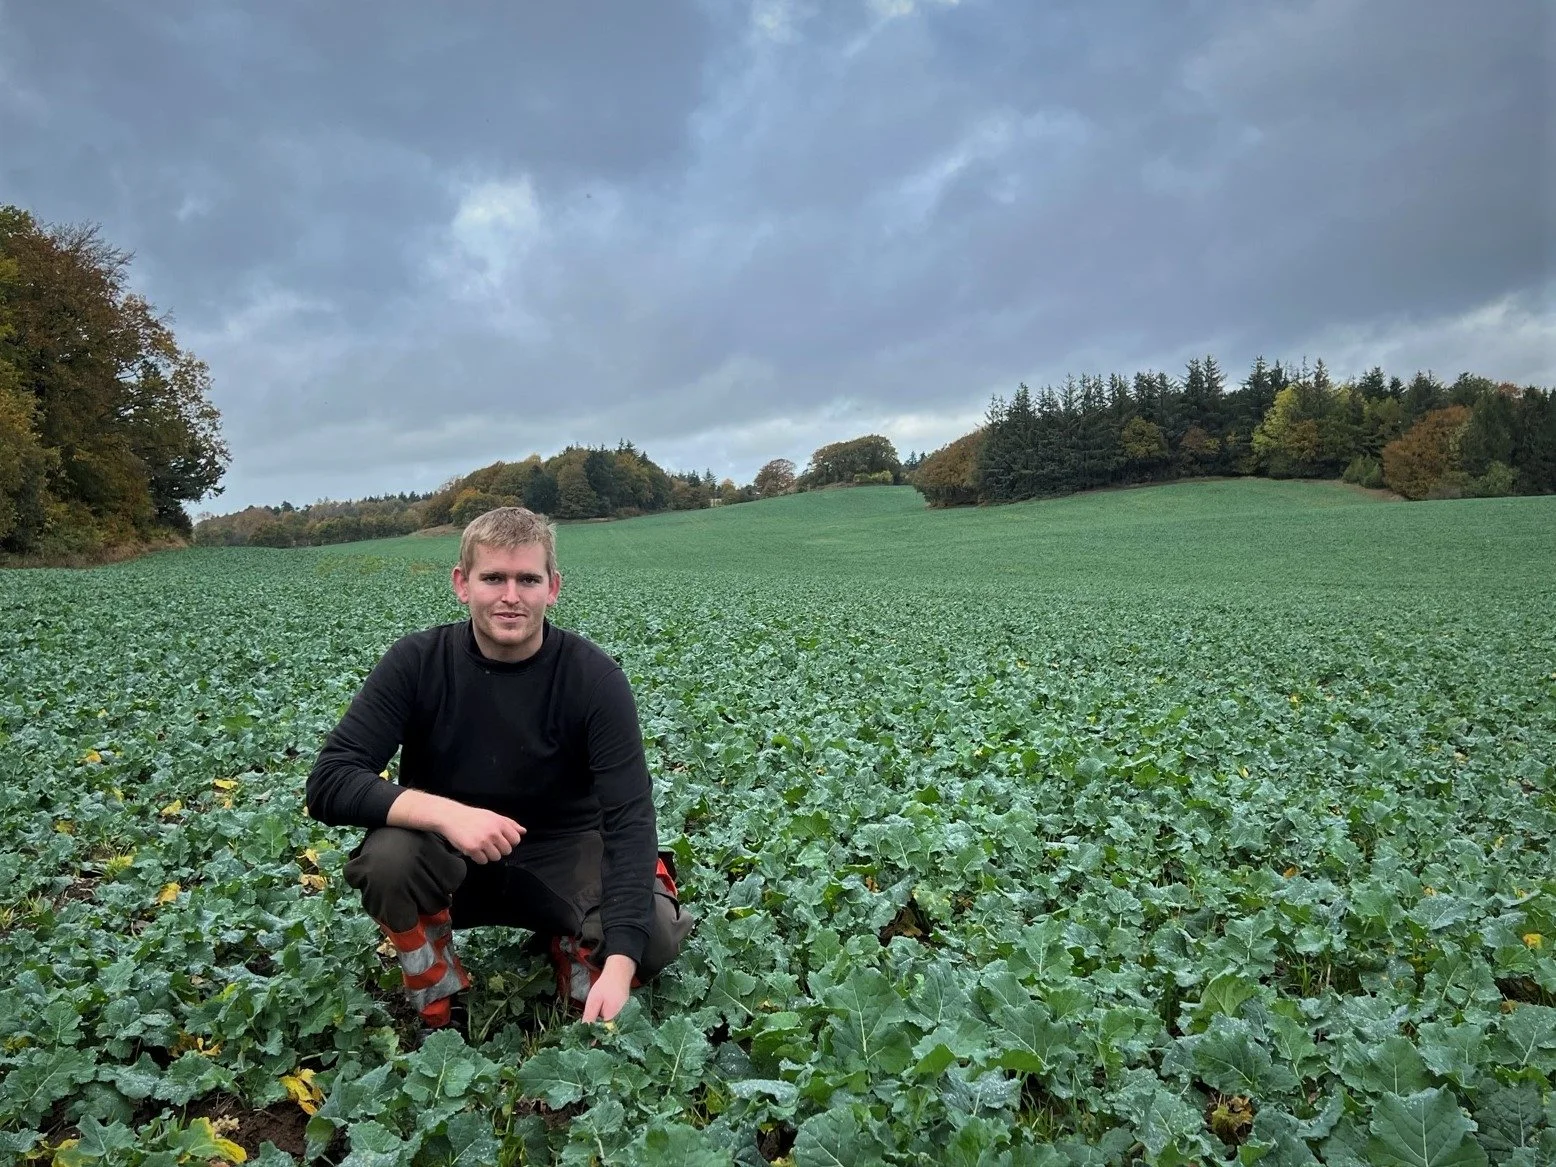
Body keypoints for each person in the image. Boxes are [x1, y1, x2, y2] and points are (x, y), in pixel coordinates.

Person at [306, 506, 693, 1035]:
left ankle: (572, 948)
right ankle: (439, 990)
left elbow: (630, 821)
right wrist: (447, 816)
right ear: (462, 584)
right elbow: (330, 780)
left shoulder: (594, 678)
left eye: (527, 579)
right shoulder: (417, 663)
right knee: (388, 858)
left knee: (656, 935)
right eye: (493, 578)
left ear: (552, 588)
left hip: (565, 857)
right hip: (450, 861)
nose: (511, 595)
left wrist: (623, 963)